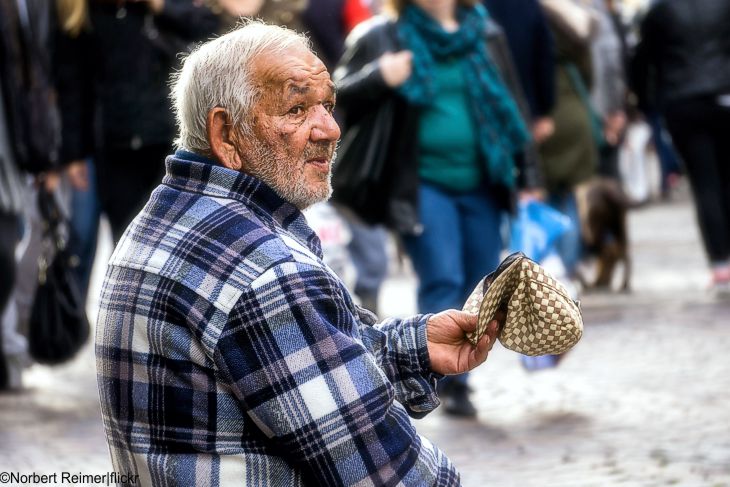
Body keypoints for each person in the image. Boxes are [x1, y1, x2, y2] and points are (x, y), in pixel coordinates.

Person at [95, 22, 504, 485]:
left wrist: (413, 348)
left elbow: (284, 365)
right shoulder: (266, 271)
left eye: (327, 105)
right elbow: (388, 472)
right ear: (226, 133)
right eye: (296, 108)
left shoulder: (164, 217)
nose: (329, 129)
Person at [332, 0, 539, 417]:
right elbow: (336, 95)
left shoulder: (485, 33)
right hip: (420, 184)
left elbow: (513, 105)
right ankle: (447, 381)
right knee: (442, 276)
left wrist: (530, 178)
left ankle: (461, 370)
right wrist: (381, 75)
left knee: (480, 280)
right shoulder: (382, 35)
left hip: (484, 180)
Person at [631, 0, 730, 293]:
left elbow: (642, 59)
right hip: (724, 96)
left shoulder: (660, 10)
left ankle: (721, 263)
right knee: (726, 178)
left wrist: (647, 103)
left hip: (681, 100)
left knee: (705, 182)